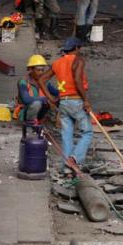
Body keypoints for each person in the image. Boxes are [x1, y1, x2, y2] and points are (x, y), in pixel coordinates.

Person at [37, 37, 93, 175]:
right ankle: (74, 159)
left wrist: (51, 98)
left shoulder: (57, 62)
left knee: (67, 134)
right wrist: (86, 100)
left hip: (63, 102)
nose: (80, 50)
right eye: (79, 48)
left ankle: (66, 167)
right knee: (87, 132)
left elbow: (41, 80)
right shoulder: (78, 60)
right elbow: (78, 80)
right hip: (76, 101)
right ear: (76, 48)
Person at [15, 55, 59, 124]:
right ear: (31, 69)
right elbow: (26, 99)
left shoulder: (45, 82)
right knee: (36, 103)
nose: (41, 72)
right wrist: (45, 99)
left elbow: (56, 93)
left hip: (41, 113)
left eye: (42, 70)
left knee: (61, 99)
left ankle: (45, 120)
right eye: (38, 70)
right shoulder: (23, 82)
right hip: (26, 113)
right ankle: (30, 122)